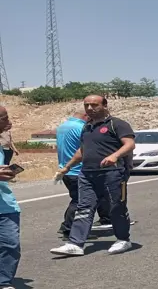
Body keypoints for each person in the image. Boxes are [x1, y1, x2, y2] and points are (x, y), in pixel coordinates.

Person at [51, 95, 136, 257]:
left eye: (94, 105)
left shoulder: (117, 124)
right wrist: (67, 167)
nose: (89, 108)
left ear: (104, 105)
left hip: (113, 173)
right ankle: (75, 243)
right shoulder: (86, 127)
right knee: (83, 207)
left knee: (116, 206)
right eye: (86, 105)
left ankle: (123, 239)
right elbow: (82, 151)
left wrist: (115, 156)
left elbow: (130, 144)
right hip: (87, 174)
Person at [55, 111, 113, 239]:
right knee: (80, 201)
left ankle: (105, 218)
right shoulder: (82, 128)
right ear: (86, 116)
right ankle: (68, 229)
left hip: (66, 169)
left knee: (87, 198)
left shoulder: (63, 126)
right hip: (79, 170)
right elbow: (88, 147)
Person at [0, 107, 25, 289]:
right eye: (5, 117)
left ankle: (3, 284)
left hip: (4, 204)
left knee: (10, 244)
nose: (9, 121)